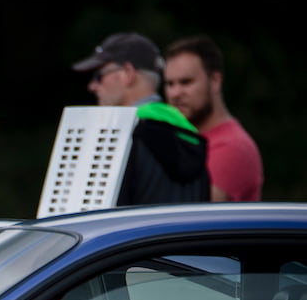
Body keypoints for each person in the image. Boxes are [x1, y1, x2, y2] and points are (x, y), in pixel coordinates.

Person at [72, 32, 209, 205]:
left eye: (99, 76)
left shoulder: (121, 137)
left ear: (128, 73)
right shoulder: (190, 136)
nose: (92, 86)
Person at [164, 35, 263, 201]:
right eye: (169, 84)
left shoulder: (232, 147)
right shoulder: (184, 141)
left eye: (186, 82)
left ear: (215, 80)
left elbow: (191, 216)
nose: (175, 93)